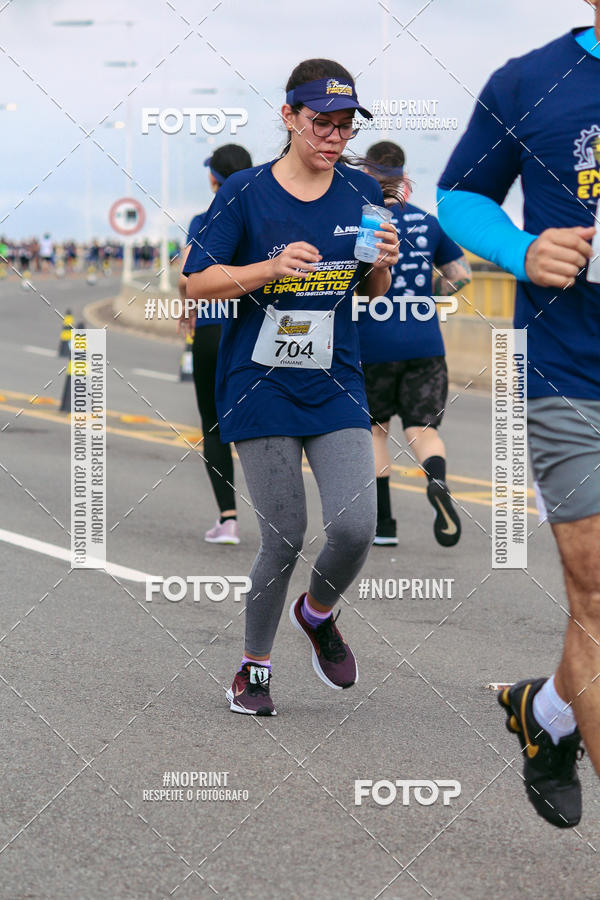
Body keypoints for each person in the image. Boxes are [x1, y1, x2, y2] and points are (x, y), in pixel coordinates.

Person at [184, 59, 399, 716]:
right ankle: (253, 668)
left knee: (357, 526)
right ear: (288, 117)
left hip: (335, 381)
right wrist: (271, 268)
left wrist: (382, 264)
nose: (333, 137)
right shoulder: (247, 192)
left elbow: (371, 289)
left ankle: (318, 612)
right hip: (260, 384)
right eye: (320, 123)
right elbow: (195, 283)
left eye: (343, 126)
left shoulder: (362, 191)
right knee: (285, 533)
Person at [438, 3, 600, 828]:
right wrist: (521, 250)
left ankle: (547, 717)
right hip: (572, 375)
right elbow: (459, 196)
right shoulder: (531, 81)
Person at [358, 141, 470, 547]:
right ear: (404, 178)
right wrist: (429, 293)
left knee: (374, 432)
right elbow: (460, 275)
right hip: (425, 342)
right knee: (423, 430)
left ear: (367, 176)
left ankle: (384, 525)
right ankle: (436, 482)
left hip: (373, 342)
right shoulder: (428, 222)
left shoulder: (363, 224)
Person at [179, 145, 253, 545]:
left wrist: (187, 303)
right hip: (257, 330)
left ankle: (228, 520)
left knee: (213, 425)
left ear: (214, 179)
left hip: (211, 329)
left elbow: (187, 276)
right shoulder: (265, 211)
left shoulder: (204, 218)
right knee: (267, 423)